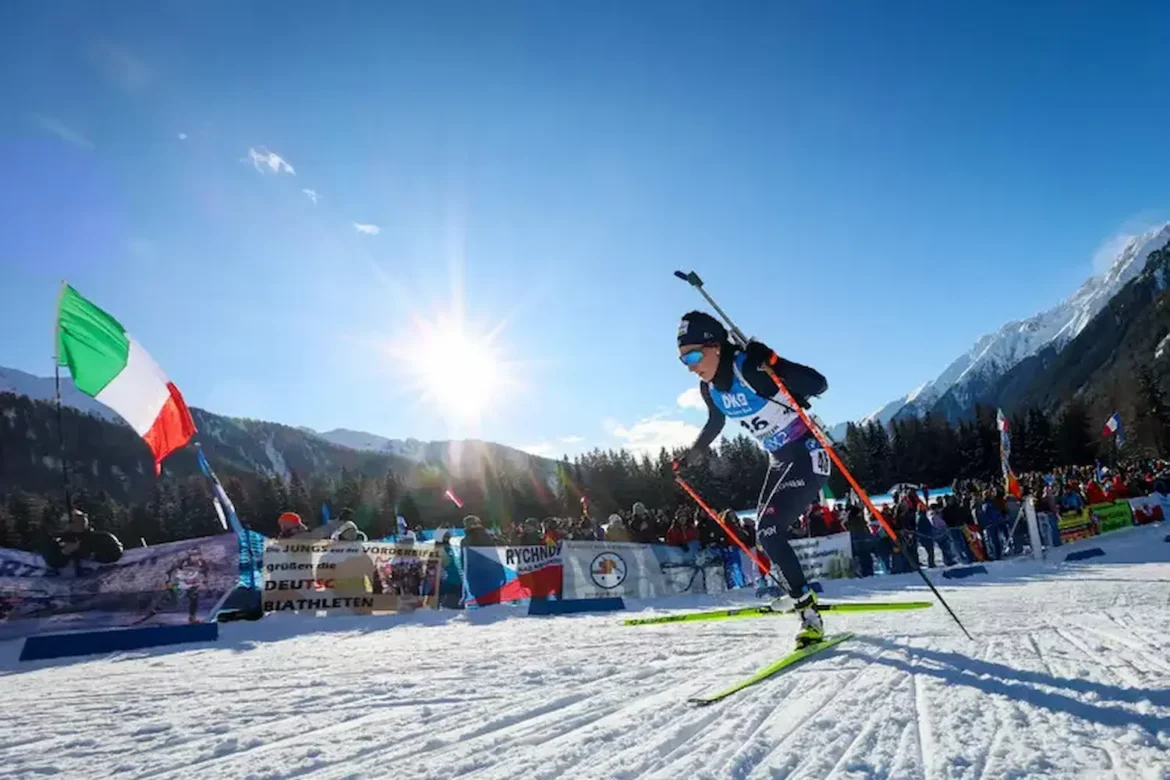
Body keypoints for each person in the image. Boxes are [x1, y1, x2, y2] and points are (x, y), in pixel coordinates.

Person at [674, 310, 829, 648]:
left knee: (770, 531)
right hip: (778, 460)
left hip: (807, 453)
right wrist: (691, 456)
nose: (690, 365)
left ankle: (810, 617)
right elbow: (715, 424)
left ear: (716, 346)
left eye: (695, 355)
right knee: (764, 535)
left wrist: (774, 360)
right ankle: (798, 592)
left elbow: (819, 384)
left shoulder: (748, 367)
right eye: (683, 359)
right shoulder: (708, 388)